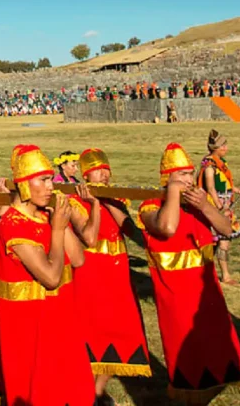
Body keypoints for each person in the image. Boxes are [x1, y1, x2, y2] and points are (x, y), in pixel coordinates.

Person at [136, 143, 240, 403]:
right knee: (188, 361)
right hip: (176, 296)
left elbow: (226, 229)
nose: (189, 180)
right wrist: (174, 194)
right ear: (167, 178)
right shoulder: (150, 206)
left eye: (190, 174)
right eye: (182, 175)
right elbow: (166, 228)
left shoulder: (200, 203)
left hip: (207, 293)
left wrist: (207, 207)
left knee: (217, 357)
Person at [0, 144, 94, 405]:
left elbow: (79, 259)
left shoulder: (45, 216)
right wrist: (58, 230)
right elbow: (50, 277)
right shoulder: (13, 225)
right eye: (44, 180)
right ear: (25, 184)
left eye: (51, 179)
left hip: (59, 317)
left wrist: (62, 223)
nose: (51, 187)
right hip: (31, 327)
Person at [69, 149, 151, 403]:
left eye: (106, 169)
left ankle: (97, 391)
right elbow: (88, 236)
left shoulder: (116, 199)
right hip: (90, 274)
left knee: (119, 332)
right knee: (91, 332)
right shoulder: (74, 201)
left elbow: (135, 235)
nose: (103, 174)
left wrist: (112, 203)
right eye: (97, 169)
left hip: (117, 275)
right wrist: (95, 203)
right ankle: (86, 391)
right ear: (85, 174)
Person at [197, 130, 240, 285]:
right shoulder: (209, 166)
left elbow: (226, 183)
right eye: (223, 145)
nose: (226, 148)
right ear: (215, 148)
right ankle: (224, 276)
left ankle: (211, 274)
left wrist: (238, 190)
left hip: (224, 205)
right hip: (216, 207)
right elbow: (211, 188)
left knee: (219, 242)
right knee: (222, 241)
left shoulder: (220, 163)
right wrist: (219, 206)